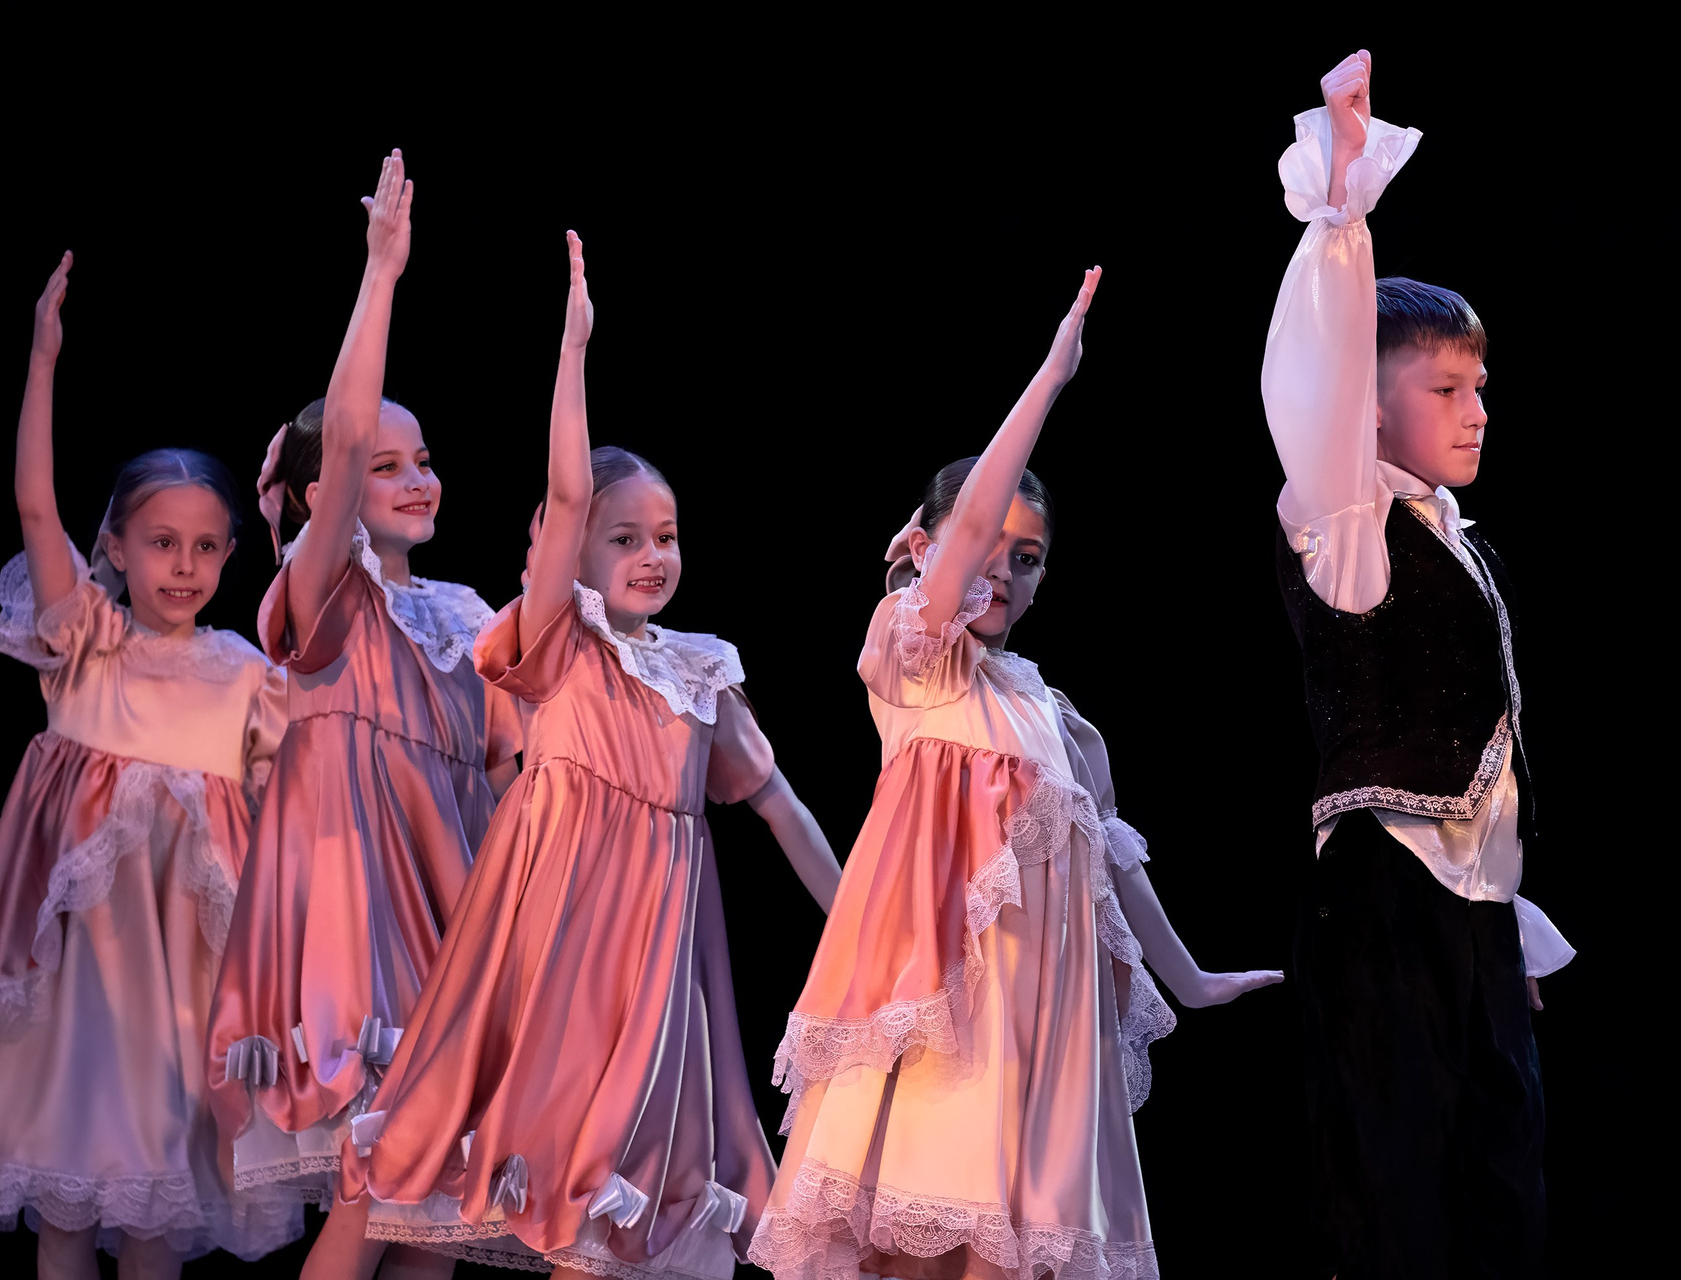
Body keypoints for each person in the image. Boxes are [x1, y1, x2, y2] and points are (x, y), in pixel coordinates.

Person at [303, 230, 842, 1280]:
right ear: (575, 549)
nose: (652, 555)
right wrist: (573, 353)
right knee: (411, 1163)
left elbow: (779, 803)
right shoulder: (558, 642)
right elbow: (559, 498)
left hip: (649, 977)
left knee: (605, 1209)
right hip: (543, 953)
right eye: (623, 537)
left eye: (666, 536)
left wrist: (862, 930)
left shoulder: (700, 671)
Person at [749, 268, 1283, 1280]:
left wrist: (1191, 979)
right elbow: (959, 549)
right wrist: (1049, 381)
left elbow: (1113, 866)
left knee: (1010, 1260)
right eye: (984, 543)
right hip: (949, 1015)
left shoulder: (1061, 718)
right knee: (922, 1243)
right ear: (929, 546)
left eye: (1028, 557)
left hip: (1043, 1023)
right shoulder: (918, 658)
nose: (1003, 567)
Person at [0, 252, 298, 1278]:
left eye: (206, 547)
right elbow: (33, 507)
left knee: (156, 1203)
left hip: (185, 991)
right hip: (75, 985)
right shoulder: (88, 643)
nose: (183, 567)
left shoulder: (245, 675)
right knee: (68, 1196)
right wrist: (42, 361)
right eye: (161, 542)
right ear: (114, 543)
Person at [1263, 50, 1575, 1278]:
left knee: (1505, 1193)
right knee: (1394, 1200)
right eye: (1446, 386)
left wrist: (1501, 916)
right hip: (1384, 908)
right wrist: (1344, 210)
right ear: (1371, 405)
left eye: (1480, 384)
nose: (1478, 408)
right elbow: (1317, 376)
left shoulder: (1461, 539)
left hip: (1473, 919)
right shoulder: (1345, 527)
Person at [204, 151, 520, 1268]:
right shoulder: (324, 589)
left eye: (423, 459)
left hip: (452, 911)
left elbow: (509, 767)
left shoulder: (463, 616)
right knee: (375, 1170)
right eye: (387, 468)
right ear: (322, 495)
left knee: (434, 1216)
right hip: (358, 912)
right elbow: (338, 438)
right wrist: (381, 276)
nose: (417, 478)